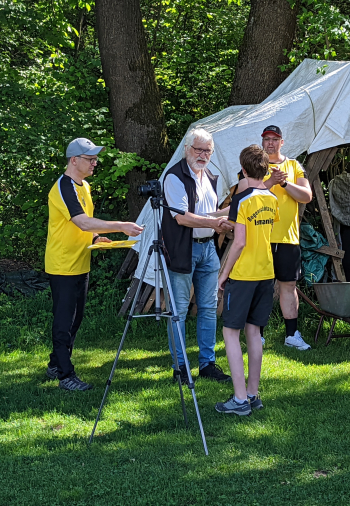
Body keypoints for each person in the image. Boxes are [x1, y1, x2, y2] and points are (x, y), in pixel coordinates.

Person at [45, 138, 143, 391]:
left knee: (75, 320)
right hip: (63, 265)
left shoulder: (85, 187)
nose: (94, 163)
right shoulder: (63, 187)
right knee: (64, 321)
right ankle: (65, 375)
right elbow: (82, 222)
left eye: (95, 158)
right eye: (90, 159)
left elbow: (87, 225)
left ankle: (55, 364)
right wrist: (121, 226)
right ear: (73, 160)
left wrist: (97, 238)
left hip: (81, 262)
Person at [162, 128, 234, 384]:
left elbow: (208, 213)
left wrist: (229, 214)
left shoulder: (210, 176)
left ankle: (207, 364)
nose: (203, 155)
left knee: (208, 308)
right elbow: (181, 217)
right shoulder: (174, 176)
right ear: (187, 149)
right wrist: (214, 223)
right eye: (198, 149)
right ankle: (180, 368)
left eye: (208, 151)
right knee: (179, 310)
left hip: (208, 248)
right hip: (183, 249)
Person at [237, 125, 313, 350]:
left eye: (274, 139)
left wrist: (284, 183)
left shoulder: (294, 165)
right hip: (259, 237)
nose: (270, 143)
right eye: (267, 139)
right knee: (260, 286)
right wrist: (270, 182)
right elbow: (243, 194)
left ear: (282, 142)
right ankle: (257, 334)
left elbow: (306, 196)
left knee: (288, 285)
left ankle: (292, 334)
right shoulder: (255, 165)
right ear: (262, 142)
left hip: (288, 238)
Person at [216, 145, 279, 416]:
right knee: (254, 332)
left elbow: (240, 242)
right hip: (266, 272)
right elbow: (261, 231)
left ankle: (240, 399)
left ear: (242, 170)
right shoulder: (272, 198)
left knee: (230, 332)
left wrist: (224, 274)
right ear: (265, 169)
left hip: (243, 274)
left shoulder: (243, 199)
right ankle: (253, 394)